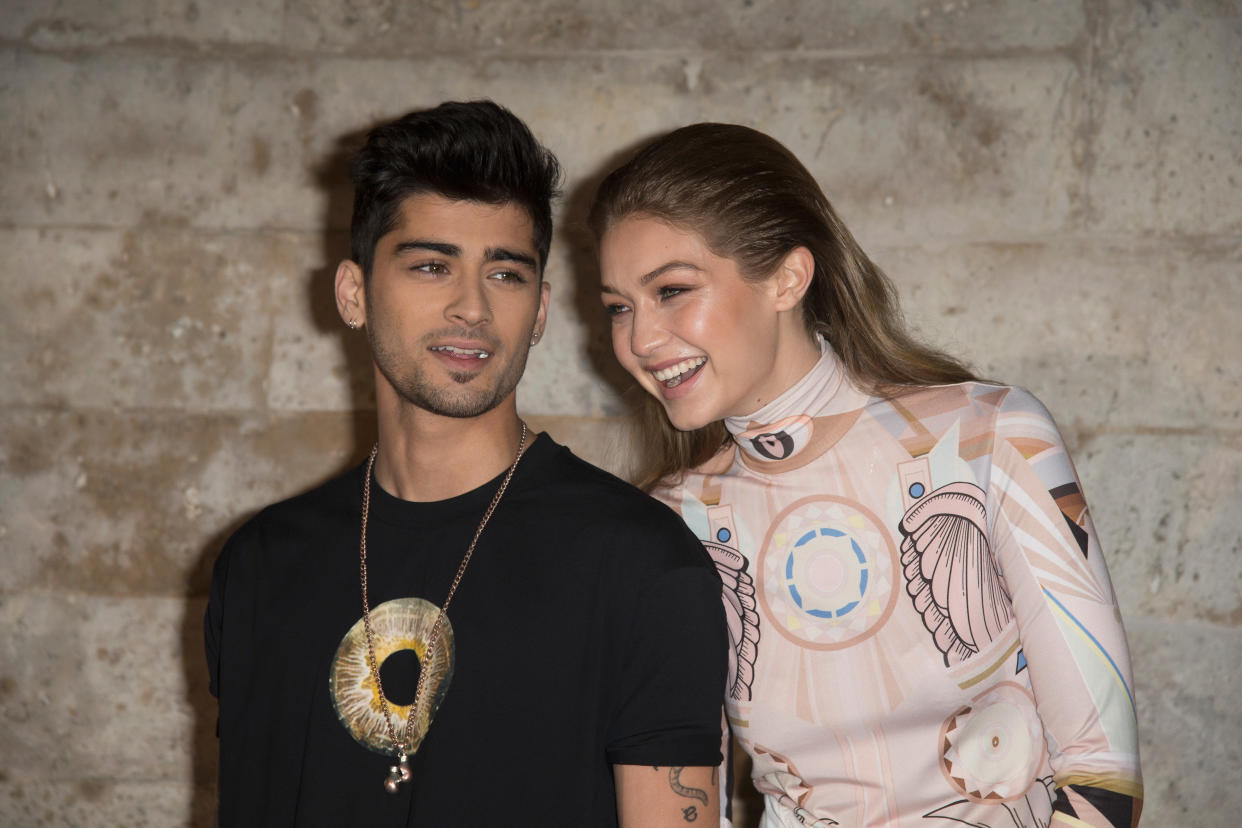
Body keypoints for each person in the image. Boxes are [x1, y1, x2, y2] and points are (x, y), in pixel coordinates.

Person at [590, 123, 1142, 828]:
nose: (638, 340)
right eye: (619, 308)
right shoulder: (673, 522)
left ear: (787, 277)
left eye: (671, 290)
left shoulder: (988, 437)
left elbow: (1103, 772)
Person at [205, 100, 728, 827]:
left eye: (506, 275)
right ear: (353, 293)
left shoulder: (640, 566)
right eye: (430, 266)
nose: (472, 309)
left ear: (541, 310)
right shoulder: (259, 566)